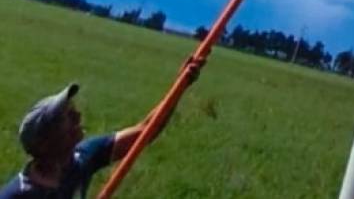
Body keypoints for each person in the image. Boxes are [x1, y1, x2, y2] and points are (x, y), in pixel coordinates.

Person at [0, 59, 202, 198]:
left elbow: (145, 132)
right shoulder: (19, 194)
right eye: (67, 117)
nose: (78, 116)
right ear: (45, 142)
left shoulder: (82, 158)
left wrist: (180, 85)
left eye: (74, 111)